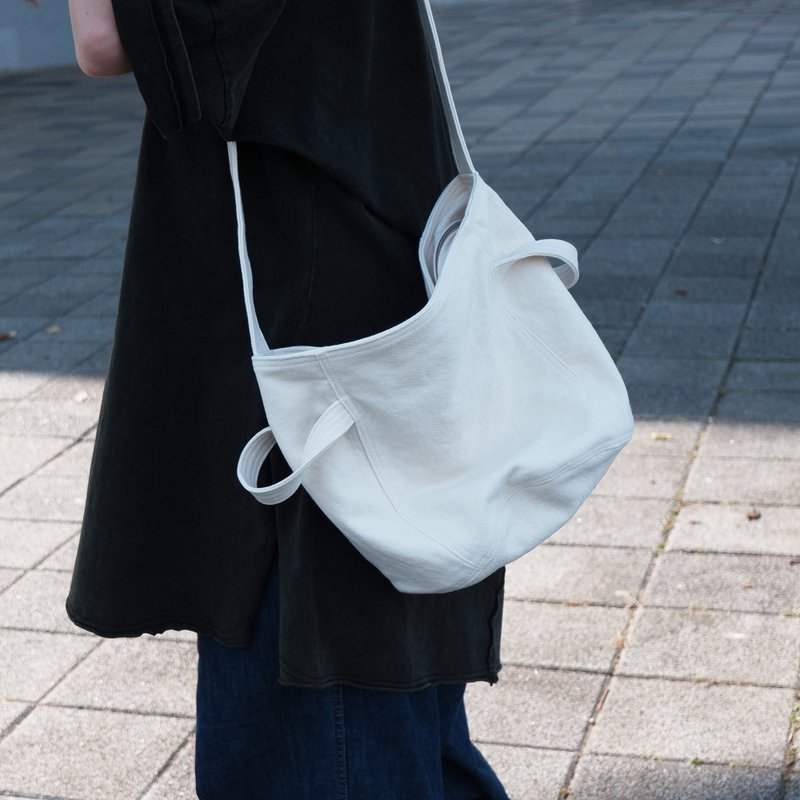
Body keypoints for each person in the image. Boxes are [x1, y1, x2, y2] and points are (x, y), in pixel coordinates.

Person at [66, 1, 510, 797]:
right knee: (394, 706)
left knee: (322, 715)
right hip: (366, 308)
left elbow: (104, 38)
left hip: (308, 356)